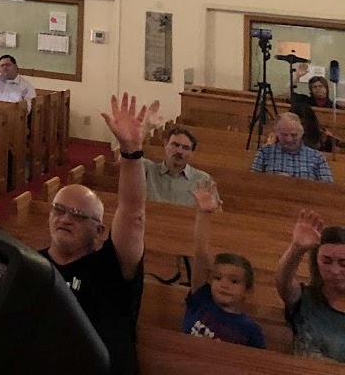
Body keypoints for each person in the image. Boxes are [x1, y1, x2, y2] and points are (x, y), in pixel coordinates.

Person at [41, 92, 151, 375]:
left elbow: (133, 213)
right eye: (59, 210)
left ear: (99, 230)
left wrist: (131, 152)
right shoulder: (33, 266)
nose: (66, 219)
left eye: (78, 215)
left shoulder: (112, 267)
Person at [181, 181, 264, 348]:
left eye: (234, 281)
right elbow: (200, 254)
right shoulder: (202, 299)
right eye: (217, 278)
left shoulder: (250, 329)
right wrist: (203, 214)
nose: (224, 285)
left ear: (247, 290)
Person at [278, 209, 345, 361]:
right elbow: (283, 282)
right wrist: (296, 248)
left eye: (344, 264)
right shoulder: (305, 299)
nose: (335, 271)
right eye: (326, 261)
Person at [251, 113, 334, 180]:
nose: (289, 139)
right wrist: (274, 180)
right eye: (284, 135)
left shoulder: (317, 157)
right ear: (276, 133)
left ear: (301, 133)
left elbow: (328, 188)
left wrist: (296, 183)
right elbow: (252, 182)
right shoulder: (265, 153)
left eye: (294, 135)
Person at [143, 126, 212, 205]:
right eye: (175, 145)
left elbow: (216, 210)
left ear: (191, 153)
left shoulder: (203, 179)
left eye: (185, 148)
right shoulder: (147, 170)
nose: (179, 151)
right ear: (165, 144)